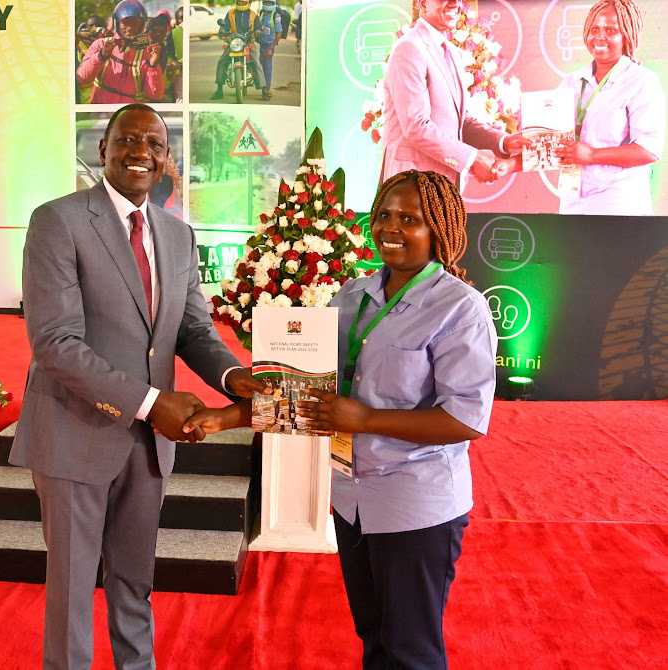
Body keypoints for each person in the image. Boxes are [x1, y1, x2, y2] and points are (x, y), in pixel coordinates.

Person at [184, 170, 498, 670]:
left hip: (414, 503)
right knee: (373, 637)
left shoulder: (460, 308)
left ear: (439, 229)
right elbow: (307, 388)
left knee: (410, 651)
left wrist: (367, 417)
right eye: (384, 215)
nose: (390, 227)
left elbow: (465, 419)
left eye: (409, 219)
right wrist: (225, 418)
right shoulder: (351, 296)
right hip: (351, 498)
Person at [9, 103, 267, 670]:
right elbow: (54, 342)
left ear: (167, 158)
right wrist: (152, 404)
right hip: (76, 435)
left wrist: (233, 376)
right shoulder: (58, 220)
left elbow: (192, 328)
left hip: (148, 448)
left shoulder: (177, 234)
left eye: (154, 143)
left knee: (134, 580)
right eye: (127, 140)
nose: (140, 153)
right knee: (74, 590)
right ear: (103, 149)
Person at [381, 0, 530, 190]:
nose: (454, 3)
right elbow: (416, 126)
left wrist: (504, 142)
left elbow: (462, 120)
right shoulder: (409, 48)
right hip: (410, 190)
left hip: (444, 189)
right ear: (422, 4)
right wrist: (473, 158)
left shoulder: (453, 52)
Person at [555, 0, 664, 215]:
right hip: (572, 200)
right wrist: (509, 163)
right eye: (595, 29)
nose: (600, 36)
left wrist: (593, 155)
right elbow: (546, 139)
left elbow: (648, 150)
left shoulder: (642, 81)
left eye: (611, 30)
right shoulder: (571, 82)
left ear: (627, 36)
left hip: (617, 204)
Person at [77, 0, 165, 104]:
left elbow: (155, 95)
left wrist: (153, 65)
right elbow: (82, 78)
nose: (130, 28)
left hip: (130, 110)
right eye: (125, 23)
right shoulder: (100, 44)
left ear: (141, 26)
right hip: (101, 108)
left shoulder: (147, 52)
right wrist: (101, 55)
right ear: (116, 23)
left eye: (135, 23)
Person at [210, 0, 264, 101]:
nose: (241, 3)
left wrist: (258, 31)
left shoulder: (253, 15)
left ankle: (263, 90)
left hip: (248, 43)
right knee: (222, 61)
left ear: (249, 2)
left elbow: (258, 27)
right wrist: (222, 30)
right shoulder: (230, 13)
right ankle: (219, 90)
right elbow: (225, 25)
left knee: (256, 63)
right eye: (239, 1)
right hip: (234, 42)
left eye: (243, 2)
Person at [257, 0, 283, 101]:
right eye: (266, 2)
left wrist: (271, 48)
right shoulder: (262, 13)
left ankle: (267, 89)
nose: (268, 5)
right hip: (262, 44)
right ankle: (263, 87)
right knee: (261, 65)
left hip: (269, 46)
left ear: (274, 4)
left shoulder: (275, 15)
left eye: (270, 3)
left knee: (267, 67)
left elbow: (279, 33)